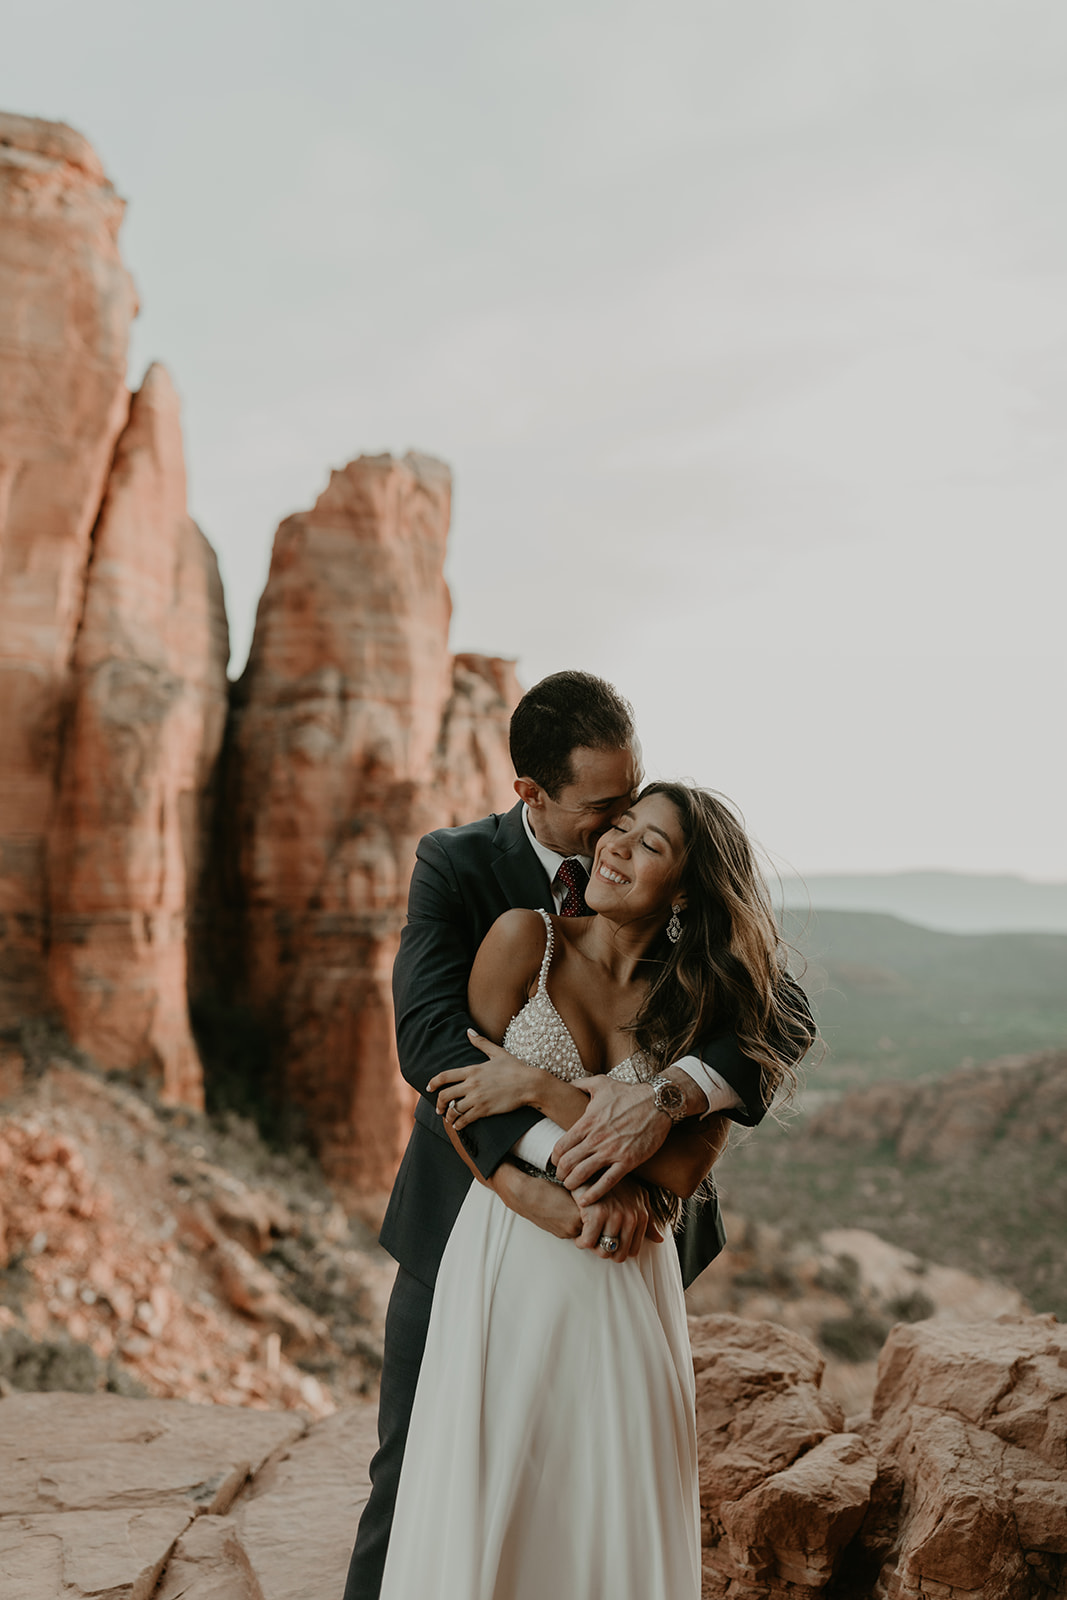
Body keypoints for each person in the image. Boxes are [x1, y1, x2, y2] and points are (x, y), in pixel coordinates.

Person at [342, 672, 812, 1600]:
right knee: (418, 1478)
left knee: (600, 1498)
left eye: (635, 811)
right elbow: (436, 1046)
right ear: (532, 795)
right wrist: (528, 1181)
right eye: (604, 812)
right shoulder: (463, 869)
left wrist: (669, 1095)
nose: (614, 835)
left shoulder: (690, 959)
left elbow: (779, 1018)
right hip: (470, 1222)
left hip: (630, 1241)